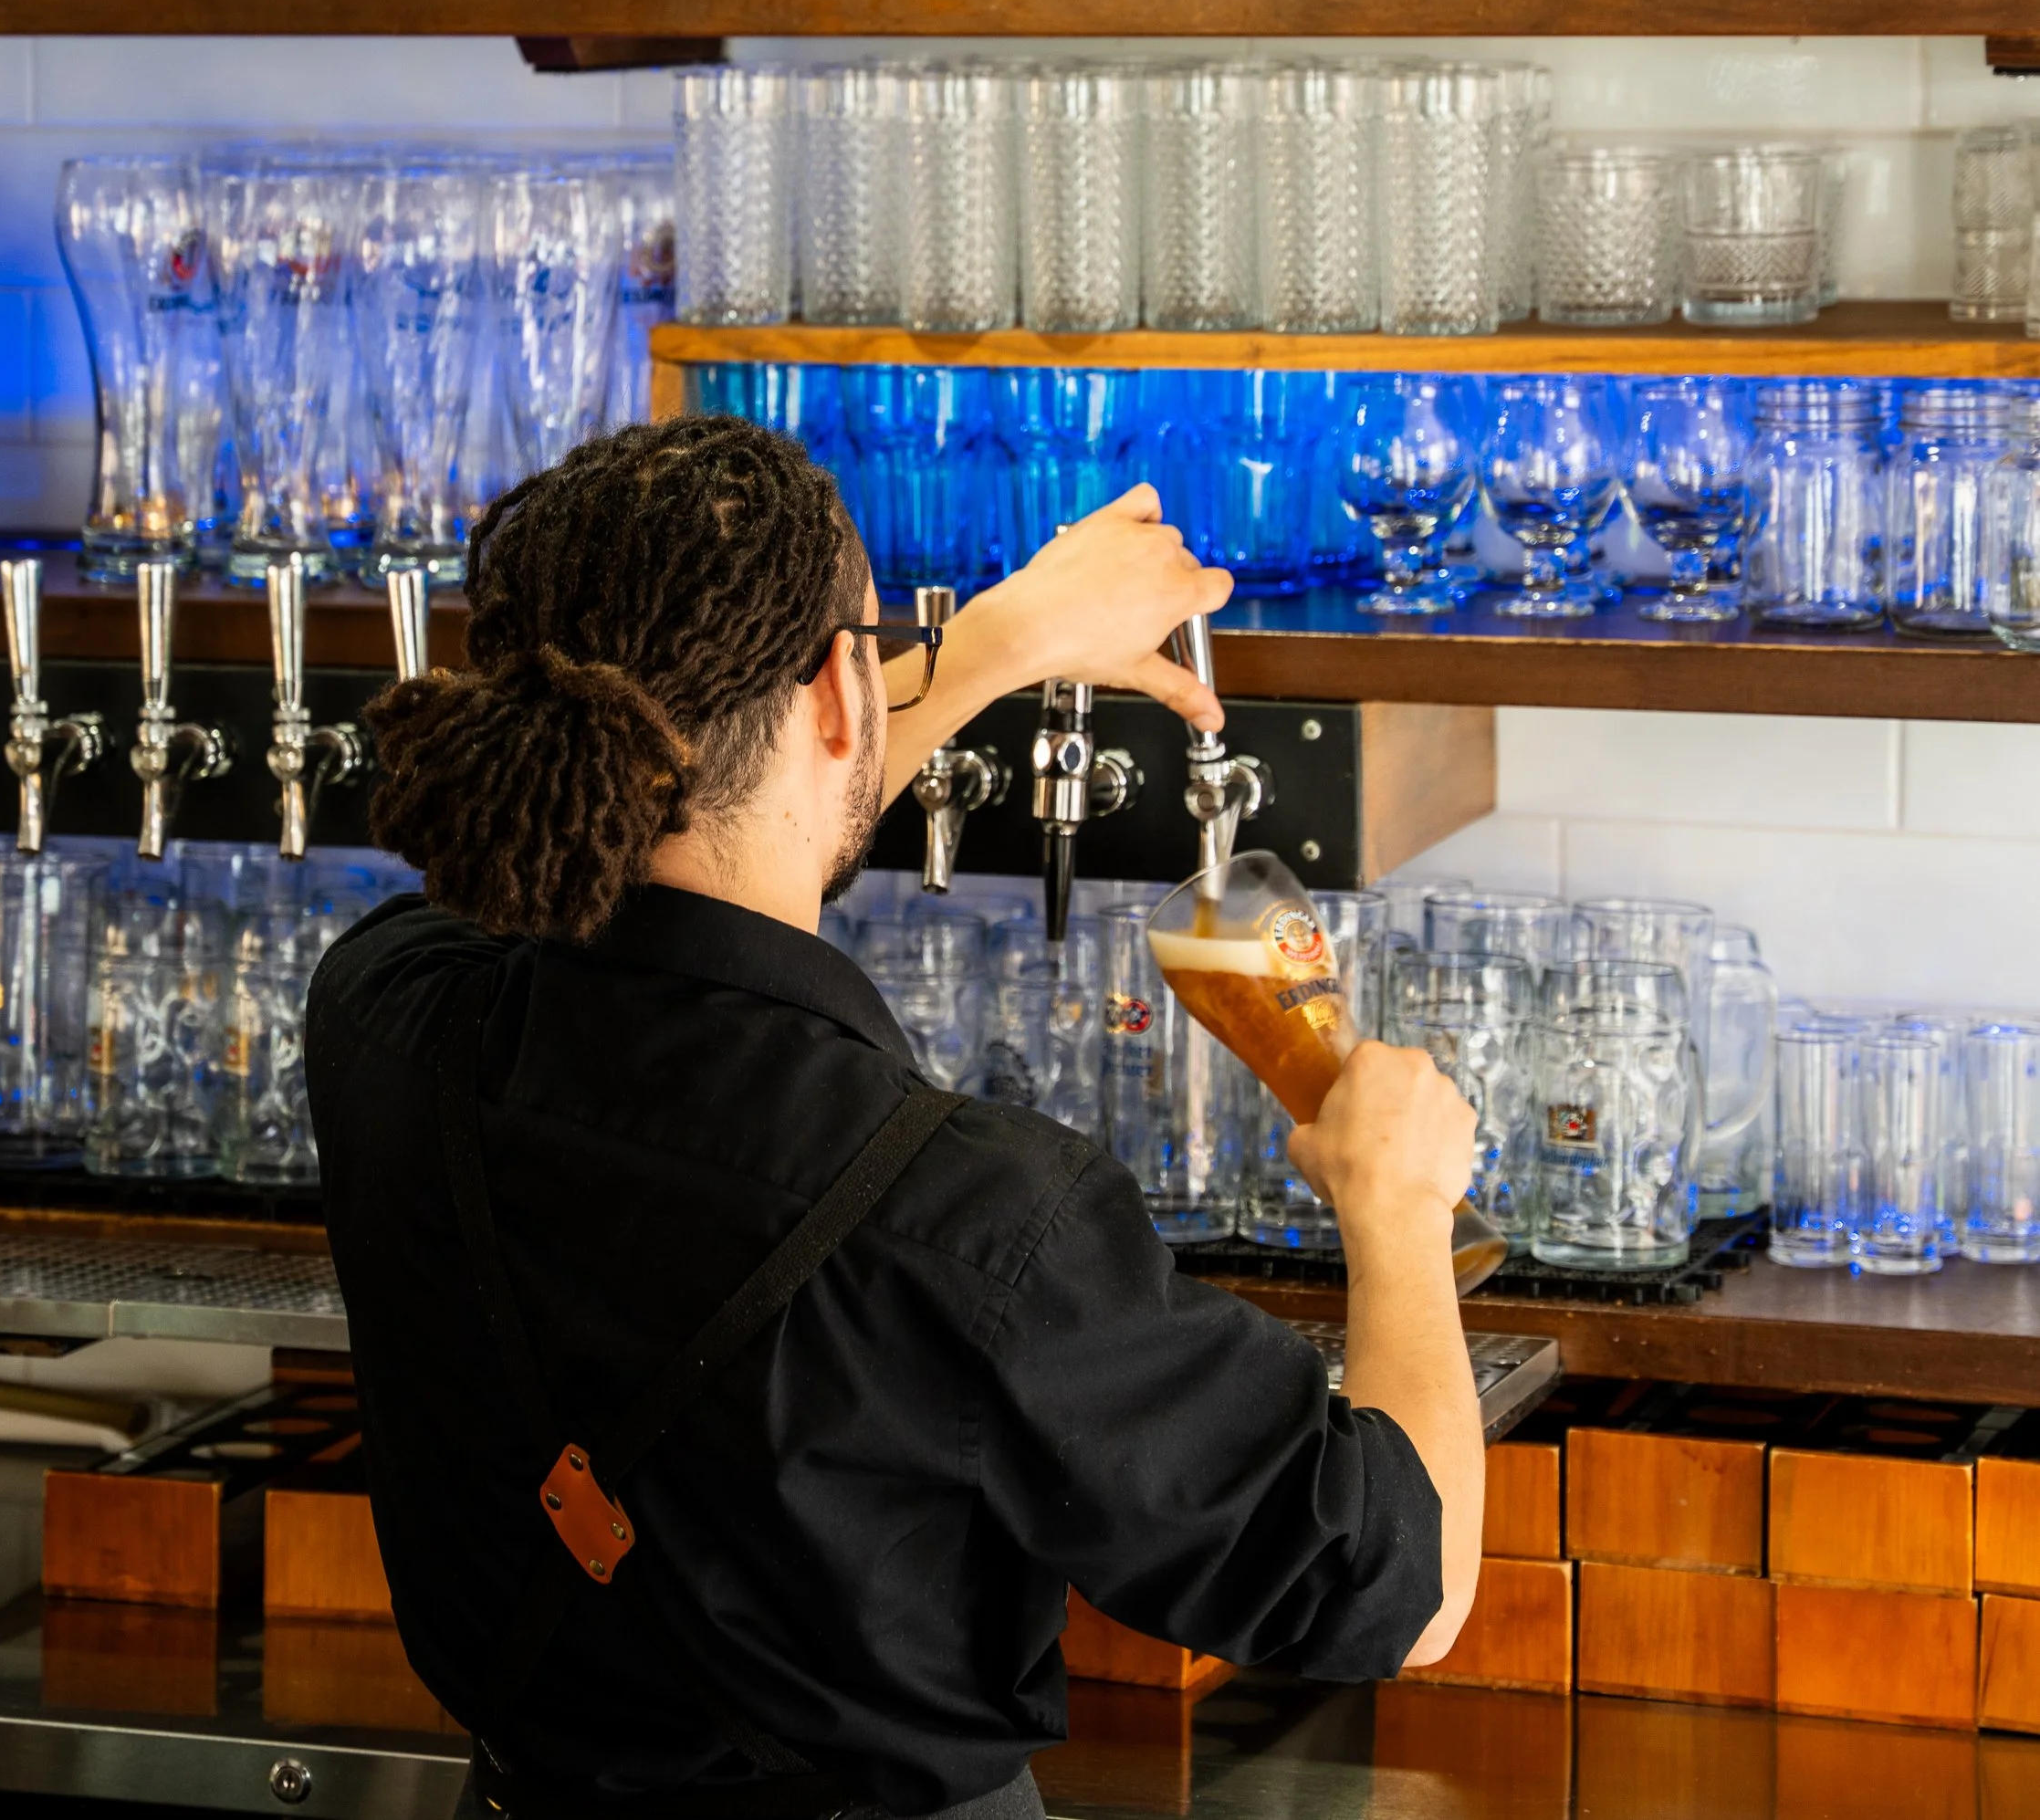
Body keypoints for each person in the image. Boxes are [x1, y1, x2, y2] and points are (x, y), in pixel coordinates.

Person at [308, 415, 1481, 1820]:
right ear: (837, 701)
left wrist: (971, 651)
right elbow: (1399, 1589)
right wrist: (1398, 1206)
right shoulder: (980, 1227)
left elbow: (649, 854)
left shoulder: (390, 1016)